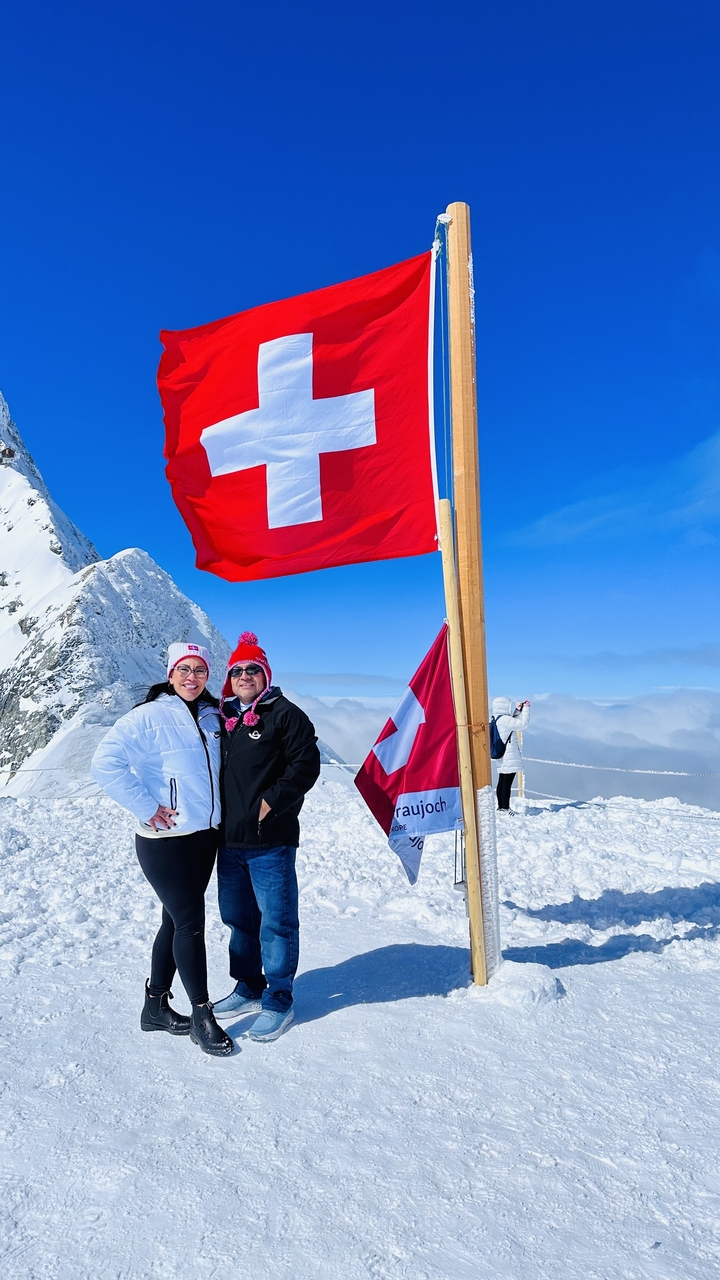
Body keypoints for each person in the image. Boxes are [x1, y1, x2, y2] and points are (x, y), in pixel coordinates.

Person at [91, 642, 233, 1058]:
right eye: (184, 670)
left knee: (174, 922)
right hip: (165, 842)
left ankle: (154, 1005)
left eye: (200, 670)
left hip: (203, 837)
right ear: (170, 675)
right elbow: (105, 763)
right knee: (190, 923)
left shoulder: (211, 717)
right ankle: (202, 1014)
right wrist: (146, 807)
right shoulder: (149, 716)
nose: (192, 677)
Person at [213, 631, 321, 1042]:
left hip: (269, 840)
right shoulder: (223, 716)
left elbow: (305, 765)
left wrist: (271, 803)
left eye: (252, 669)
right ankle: (248, 986)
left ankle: (279, 998)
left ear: (265, 674)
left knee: (276, 922)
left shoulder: (284, 713)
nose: (244, 675)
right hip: (228, 842)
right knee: (239, 920)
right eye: (237, 670)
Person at [492, 696, 531, 814]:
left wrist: (518, 711)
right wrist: (527, 709)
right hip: (509, 756)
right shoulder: (505, 720)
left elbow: (512, 723)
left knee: (502, 781)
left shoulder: (498, 718)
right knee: (507, 783)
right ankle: (505, 808)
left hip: (502, 755)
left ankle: (501, 806)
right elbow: (523, 724)